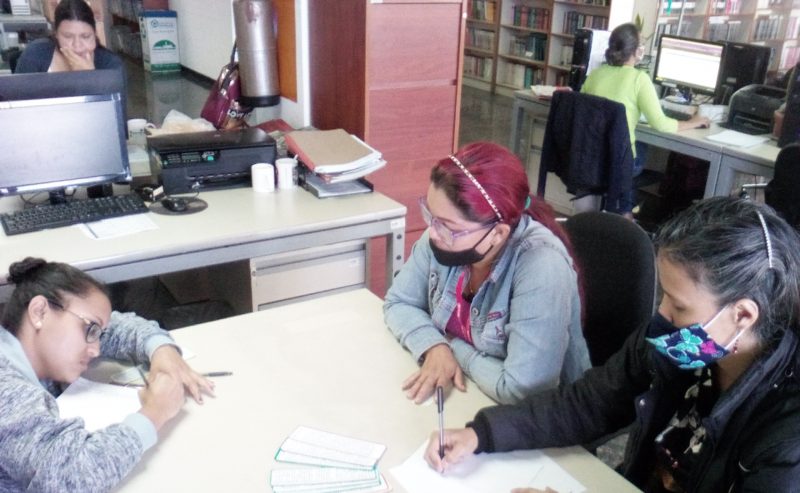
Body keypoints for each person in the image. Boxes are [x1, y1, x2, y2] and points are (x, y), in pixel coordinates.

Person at [425, 197, 800, 492]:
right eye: (664, 297)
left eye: (680, 306)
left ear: (743, 315)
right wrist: (482, 434)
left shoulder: (786, 441)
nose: (662, 314)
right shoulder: (677, 342)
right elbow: (590, 403)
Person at [384, 142, 591, 406]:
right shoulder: (447, 237)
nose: (432, 233)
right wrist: (433, 346)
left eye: (448, 226)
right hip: (470, 398)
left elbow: (521, 391)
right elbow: (398, 302)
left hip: (538, 421)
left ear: (498, 233)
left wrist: (450, 345)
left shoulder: (542, 266)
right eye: (430, 216)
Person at [0, 257, 215, 492]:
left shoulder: (25, 353)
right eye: (90, 329)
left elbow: (116, 326)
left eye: (98, 334)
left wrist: (161, 350)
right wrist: (155, 413)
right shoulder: (7, 390)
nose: (96, 349)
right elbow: (69, 476)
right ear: (39, 312)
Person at [580, 23, 710, 217]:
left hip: (592, 158)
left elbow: (583, 106)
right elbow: (661, 124)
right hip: (618, 162)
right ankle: (627, 213)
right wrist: (694, 122)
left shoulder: (596, 74)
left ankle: (623, 210)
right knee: (640, 153)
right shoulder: (639, 79)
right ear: (636, 51)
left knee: (635, 145)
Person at [15, 0, 124, 74]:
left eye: (85, 37)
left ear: (95, 34)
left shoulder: (111, 65)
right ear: (56, 34)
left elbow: (114, 102)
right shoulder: (35, 54)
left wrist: (89, 77)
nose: (77, 46)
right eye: (68, 36)